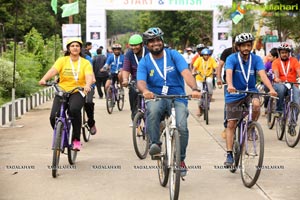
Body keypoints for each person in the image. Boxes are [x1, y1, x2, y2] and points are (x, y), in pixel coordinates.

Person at [137, 27, 201, 177]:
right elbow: (140, 81)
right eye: (152, 41)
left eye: (158, 40)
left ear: (162, 41)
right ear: (147, 45)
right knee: (152, 111)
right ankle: (155, 144)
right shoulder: (145, 61)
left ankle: (181, 160)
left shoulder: (173, 55)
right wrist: (145, 91)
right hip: (157, 97)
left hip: (177, 97)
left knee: (182, 126)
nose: (156, 43)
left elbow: (186, 72)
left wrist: (195, 88)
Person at [224, 33, 277, 167]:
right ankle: (229, 153)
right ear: (238, 47)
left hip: (251, 91)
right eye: (243, 46)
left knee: (256, 104)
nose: (246, 48)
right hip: (234, 93)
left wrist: (271, 88)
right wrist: (230, 85)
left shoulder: (256, 59)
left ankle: (251, 126)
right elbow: (228, 73)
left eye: (249, 45)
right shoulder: (232, 58)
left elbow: (262, 74)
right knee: (231, 124)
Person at [38, 38, 94, 150]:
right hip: (62, 90)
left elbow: (89, 75)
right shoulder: (62, 60)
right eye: (72, 45)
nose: (75, 48)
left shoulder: (85, 62)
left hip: (78, 91)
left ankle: (76, 140)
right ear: (68, 48)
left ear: (80, 48)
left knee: (74, 110)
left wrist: (87, 85)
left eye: (77, 46)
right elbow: (53, 70)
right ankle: (61, 133)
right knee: (53, 116)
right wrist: (44, 79)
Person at [122, 34, 149, 125]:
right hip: (135, 79)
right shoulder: (129, 54)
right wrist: (125, 79)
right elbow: (126, 68)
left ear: (142, 44)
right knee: (133, 94)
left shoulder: (149, 51)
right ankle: (135, 119)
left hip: (149, 79)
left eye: (136, 45)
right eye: (131, 45)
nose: (134, 47)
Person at [216, 36, 237, 139]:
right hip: (229, 83)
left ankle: (249, 128)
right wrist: (219, 78)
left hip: (244, 84)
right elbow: (220, 66)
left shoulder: (248, 54)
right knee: (229, 105)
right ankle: (226, 127)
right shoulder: (227, 52)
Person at [272, 43, 300, 116]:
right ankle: (279, 110)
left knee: (297, 101)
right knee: (281, 89)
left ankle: (293, 122)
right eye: (282, 53)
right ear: (279, 53)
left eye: (286, 53)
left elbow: (298, 70)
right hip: (280, 83)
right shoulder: (276, 62)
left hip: (292, 84)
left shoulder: (294, 61)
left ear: (289, 53)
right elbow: (276, 73)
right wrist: (277, 78)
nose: (284, 54)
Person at [192, 48, 217, 116]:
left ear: (209, 55)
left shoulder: (211, 59)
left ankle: (210, 95)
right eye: (204, 55)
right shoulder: (199, 59)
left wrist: (216, 71)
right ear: (202, 55)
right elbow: (194, 67)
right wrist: (193, 72)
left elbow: (215, 67)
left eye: (207, 55)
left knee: (209, 82)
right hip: (200, 77)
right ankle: (199, 109)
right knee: (200, 92)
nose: (206, 56)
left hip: (208, 76)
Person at [262, 48, 278, 116]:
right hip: (268, 83)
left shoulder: (278, 64)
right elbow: (264, 72)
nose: (268, 57)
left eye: (270, 56)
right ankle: (266, 108)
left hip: (276, 83)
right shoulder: (268, 64)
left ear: (275, 57)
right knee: (267, 96)